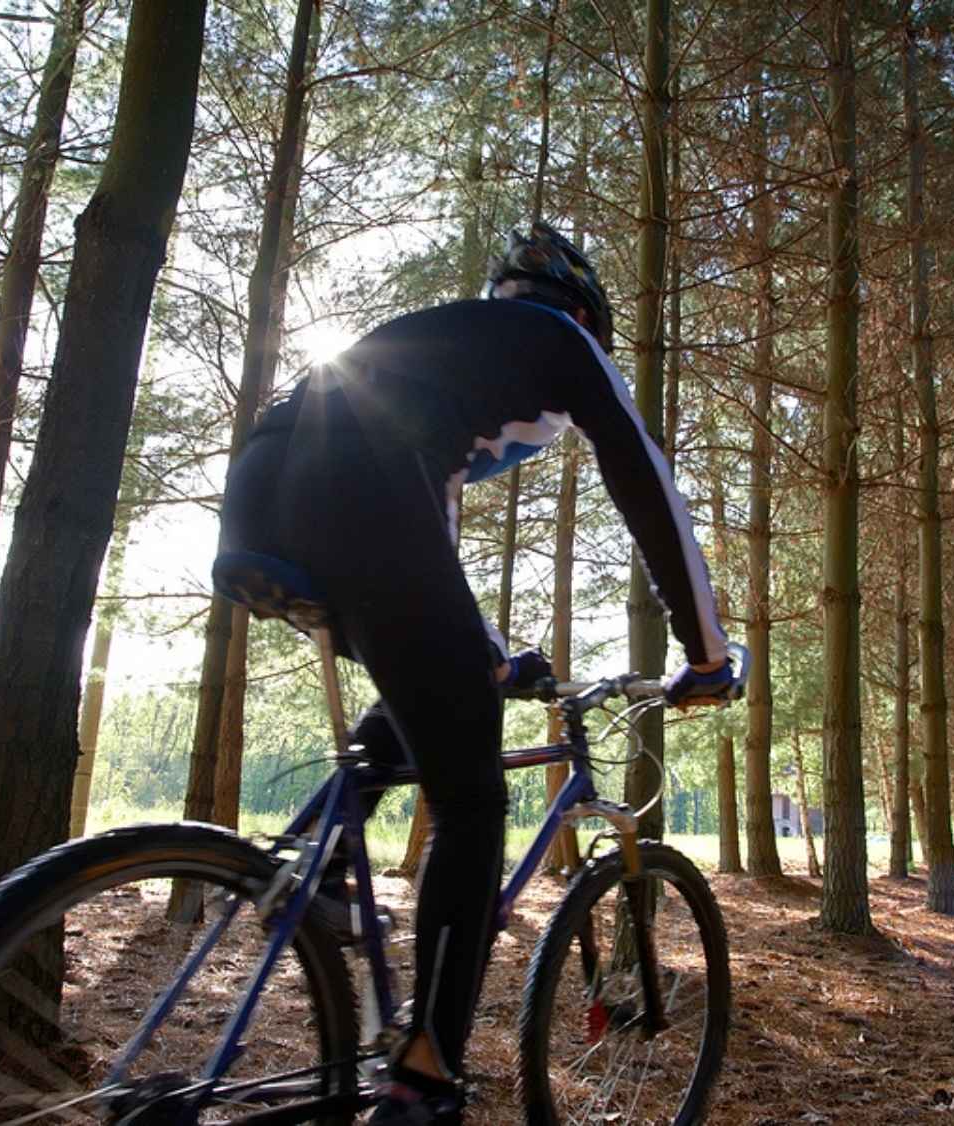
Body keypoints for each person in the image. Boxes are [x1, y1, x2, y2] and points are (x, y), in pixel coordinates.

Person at [218, 221, 735, 1125]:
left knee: (428, 675)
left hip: (260, 495)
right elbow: (646, 483)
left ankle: (322, 863)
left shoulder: (444, 346)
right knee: (473, 805)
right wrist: (708, 653)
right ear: (583, 313)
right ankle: (425, 1077)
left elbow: (428, 566)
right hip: (361, 493)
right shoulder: (563, 340)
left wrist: (487, 655)